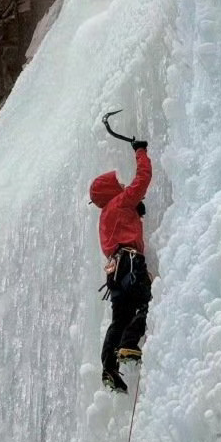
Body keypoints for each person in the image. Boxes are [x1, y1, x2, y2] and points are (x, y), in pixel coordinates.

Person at [89, 140, 152, 392]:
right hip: (130, 260)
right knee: (146, 301)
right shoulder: (121, 201)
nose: (124, 186)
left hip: (114, 271)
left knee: (120, 317)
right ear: (111, 191)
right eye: (119, 185)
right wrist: (140, 151)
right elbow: (143, 179)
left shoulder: (104, 216)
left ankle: (109, 367)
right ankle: (129, 345)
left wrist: (134, 212)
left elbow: (121, 228)